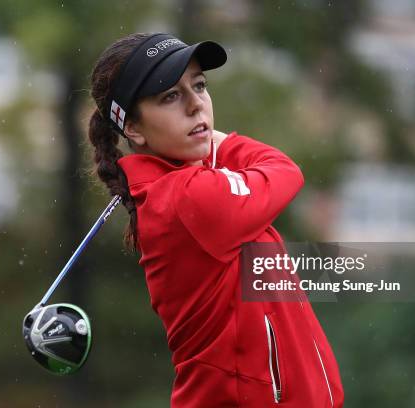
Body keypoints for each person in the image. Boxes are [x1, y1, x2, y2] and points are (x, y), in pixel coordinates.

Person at [87, 32, 344, 407]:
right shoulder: (186, 198)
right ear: (133, 128)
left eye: (200, 86)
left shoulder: (178, 189)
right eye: (170, 96)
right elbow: (284, 170)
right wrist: (219, 142)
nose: (196, 106)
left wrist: (206, 144)